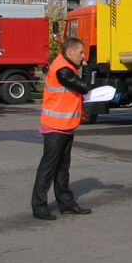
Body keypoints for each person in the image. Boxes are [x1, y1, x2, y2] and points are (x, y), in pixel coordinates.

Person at [31, 37, 93, 220]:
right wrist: (88, 68)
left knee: (62, 168)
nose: (83, 56)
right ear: (70, 52)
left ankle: (66, 203)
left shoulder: (66, 67)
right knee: (49, 168)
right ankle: (39, 206)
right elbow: (84, 87)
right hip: (55, 128)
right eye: (81, 52)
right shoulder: (63, 70)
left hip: (64, 126)